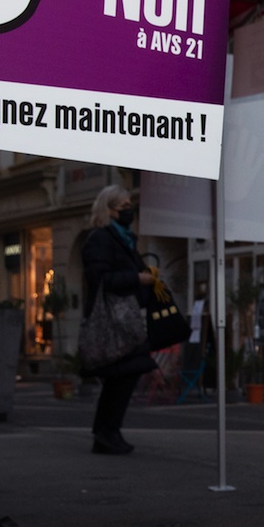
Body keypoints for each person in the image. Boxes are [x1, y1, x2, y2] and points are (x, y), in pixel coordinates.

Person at [80, 185, 157, 455]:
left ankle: (107, 432)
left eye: (129, 205)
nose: (129, 210)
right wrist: (136, 278)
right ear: (109, 210)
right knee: (120, 376)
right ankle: (106, 432)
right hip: (113, 321)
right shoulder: (100, 239)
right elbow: (100, 279)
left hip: (126, 318)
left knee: (123, 376)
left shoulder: (125, 238)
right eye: (123, 206)